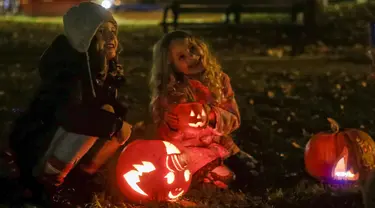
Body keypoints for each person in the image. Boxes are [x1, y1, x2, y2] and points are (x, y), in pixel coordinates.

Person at [6, 1, 132, 205]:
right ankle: (48, 182)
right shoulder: (68, 73)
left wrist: (116, 119)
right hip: (38, 144)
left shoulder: (101, 68)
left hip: (63, 139)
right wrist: (114, 124)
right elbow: (70, 116)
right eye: (100, 32)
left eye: (112, 31)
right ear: (83, 36)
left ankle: (81, 176)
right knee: (103, 120)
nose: (110, 38)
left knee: (108, 115)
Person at [149, 30, 258, 190]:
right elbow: (166, 136)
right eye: (182, 57)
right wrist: (171, 125)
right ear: (171, 65)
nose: (191, 57)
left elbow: (234, 119)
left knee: (252, 170)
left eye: (192, 49)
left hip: (222, 146)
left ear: (201, 46)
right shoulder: (172, 92)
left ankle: (215, 174)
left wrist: (212, 115)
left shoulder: (220, 80)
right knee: (226, 177)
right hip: (191, 151)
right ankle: (207, 176)